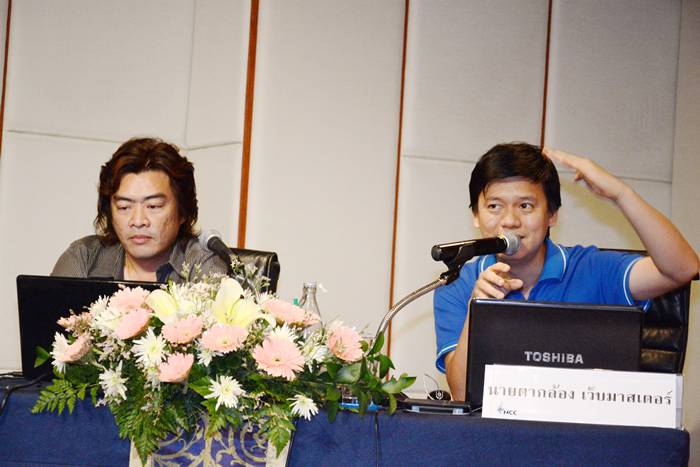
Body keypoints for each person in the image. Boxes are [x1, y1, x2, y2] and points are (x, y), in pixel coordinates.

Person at [434, 142, 699, 401]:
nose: (510, 221)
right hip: (497, 430)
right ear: (476, 215)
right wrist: (477, 310)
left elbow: (683, 269)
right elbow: (460, 395)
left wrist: (621, 194)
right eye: (494, 206)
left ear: (552, 215)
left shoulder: (592, 268)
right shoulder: (457, 285)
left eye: (525, 206)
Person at [52, 137, 228, 282]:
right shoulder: (85, 258)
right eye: (124, 207)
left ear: (183, 211)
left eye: (153, 206)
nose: (138, 221)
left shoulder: (204, 266)